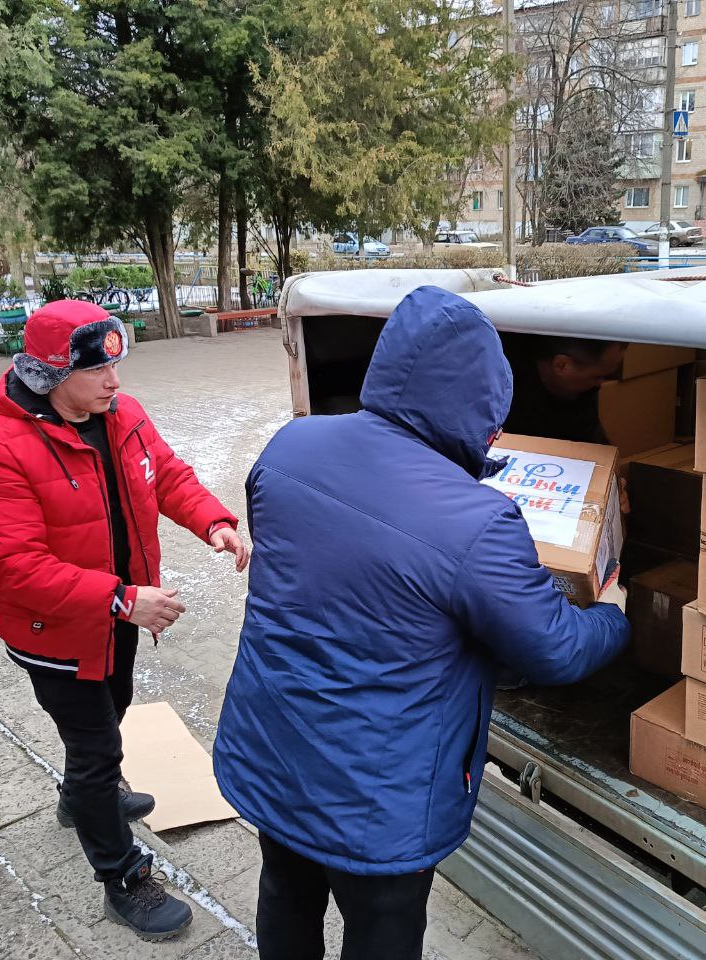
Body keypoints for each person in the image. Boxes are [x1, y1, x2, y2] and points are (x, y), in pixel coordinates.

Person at [213, 286, 629, 960]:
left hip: (272, 747)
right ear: (483, 401)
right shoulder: (477, 519)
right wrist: (613, 616)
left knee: (285, 891)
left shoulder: (292, 445)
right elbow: (553, 648)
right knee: (382, 931)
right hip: (377, 799)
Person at [0, 300, 248, 942]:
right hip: (53, 632)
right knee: (97, 748)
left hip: (116, 612)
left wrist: (215, 521)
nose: (116, 381)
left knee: (113, 708)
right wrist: (122, 599)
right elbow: (15, 566)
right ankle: (123, 879)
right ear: (52, 374)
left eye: (118, 364)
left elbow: (165, 476)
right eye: (98, 370)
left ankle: (80, 798)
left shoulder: (120, 413)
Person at [500, 334, 628, 445]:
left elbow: (591, 436)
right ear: (562, 365)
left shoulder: (584, 388)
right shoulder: (500, 384)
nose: (601, 384)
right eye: (598, 376)